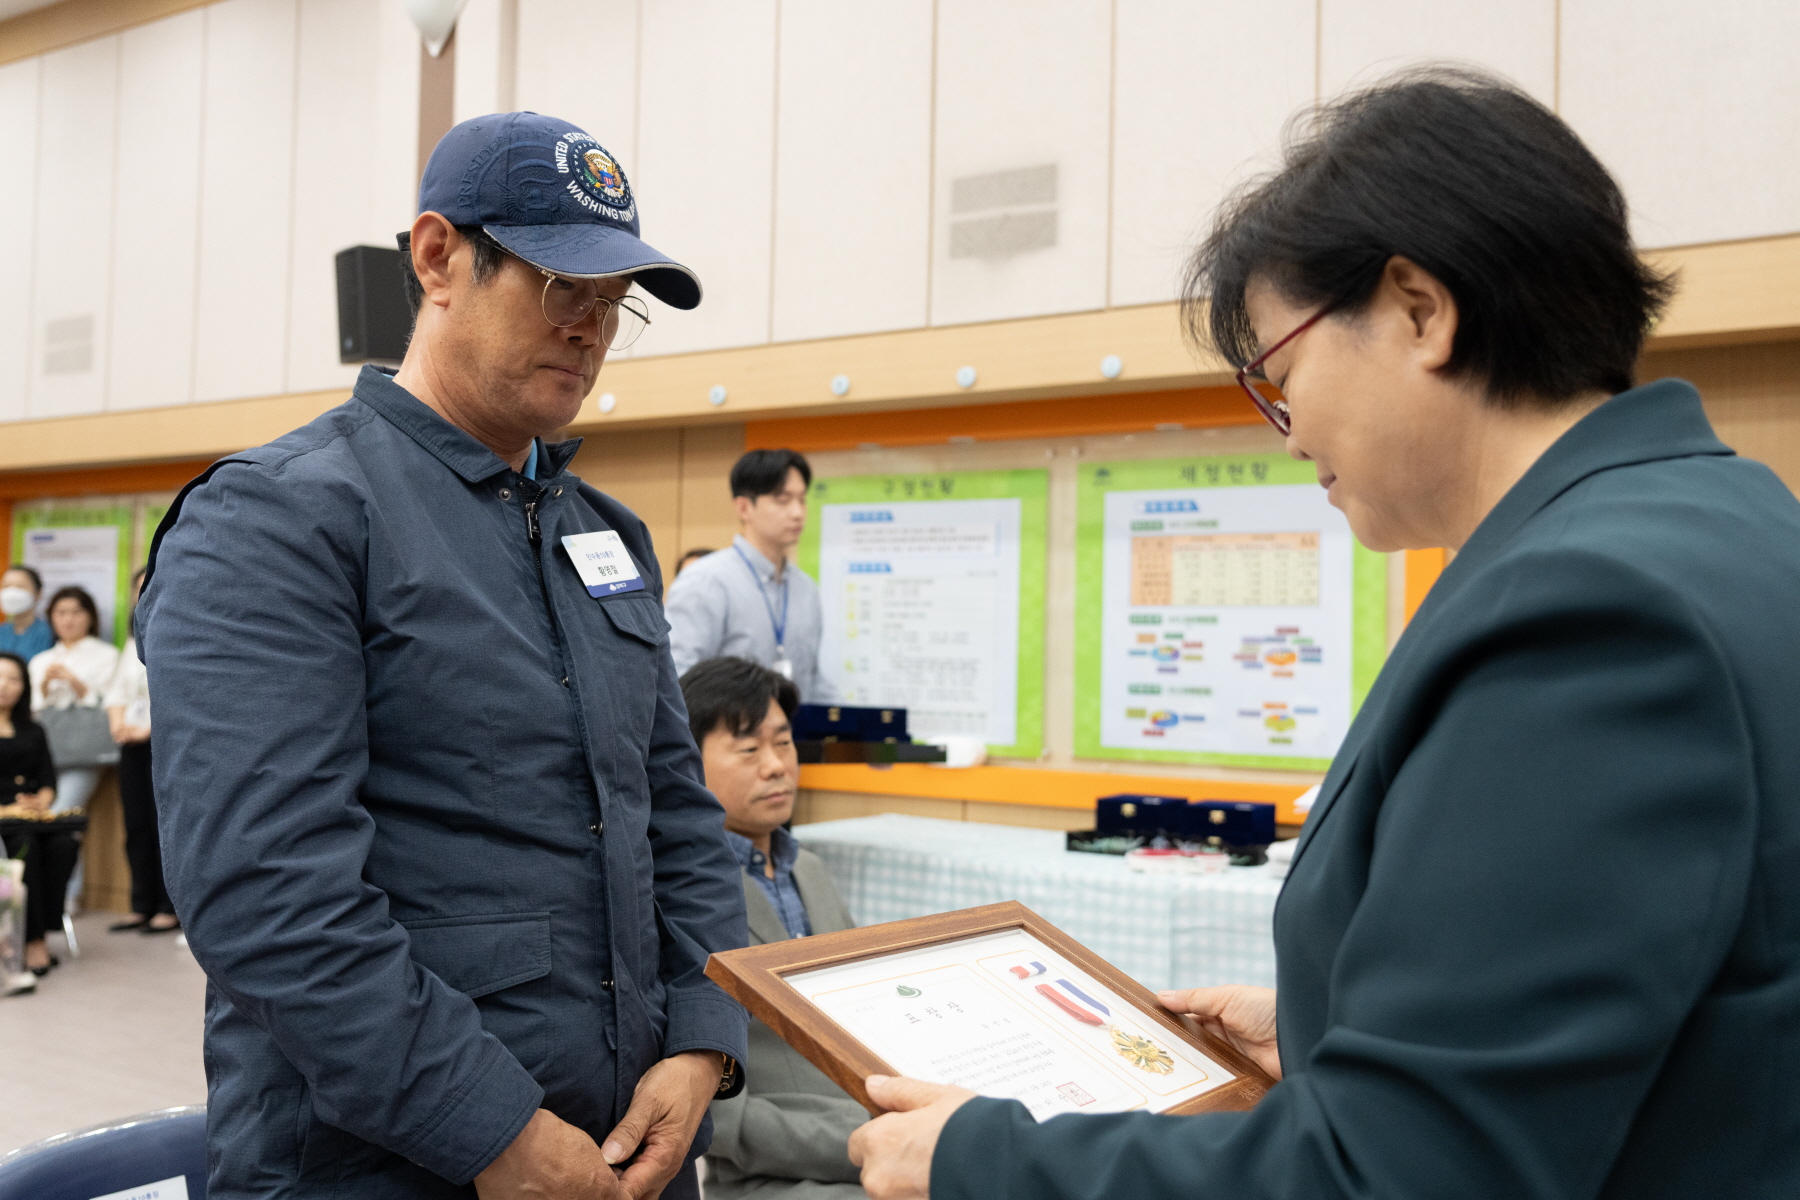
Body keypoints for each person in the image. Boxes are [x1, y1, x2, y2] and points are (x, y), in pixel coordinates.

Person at [846, 69, 1800, 1199]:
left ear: (1418, 310)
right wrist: (1336, 1032)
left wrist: (978, 1158)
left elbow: (1409, 1174)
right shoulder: (1738, 517)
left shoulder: (1584, 613)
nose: (1290, 435)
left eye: (1280, 375)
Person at [138, 111, 747, 1199]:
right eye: (565, 289)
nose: (593, 331)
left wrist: (702, 1036)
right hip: (384, 1162)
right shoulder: (280, 521)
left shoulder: (604, 534)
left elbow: (677, 811)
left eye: (615, 306)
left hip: (631, 1148)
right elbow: (266, 893)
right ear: (438, 258)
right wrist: (491, 1128)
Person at [679, 657, 866, 1200]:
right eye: (748, 749)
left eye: (783, 743)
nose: (776, 766)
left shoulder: (809, 869)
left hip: (864, 1126)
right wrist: (855, 1142)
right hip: (767, 1173)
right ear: (686, 762)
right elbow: (717, 1111)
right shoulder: (681, 893)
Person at [666, 450, 841, 702]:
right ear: (744, 507)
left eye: (802, 500)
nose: (798, 513)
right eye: (783, 500)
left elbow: (812, 680)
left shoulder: (806, 589)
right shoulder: (706, 580)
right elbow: (678, 677)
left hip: (795, 738)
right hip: (728, 735)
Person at [104, 568, 175, 934]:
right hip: (130, 745)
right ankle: (141, 904)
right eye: (138, 587)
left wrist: (147, 728)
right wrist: (118, 724)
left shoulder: (178, 632)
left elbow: (176, 696)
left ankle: (169, 907)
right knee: (136, 827)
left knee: (164, 826)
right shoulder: (132, 642)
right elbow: (116, 693)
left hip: (165, 743)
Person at [0, 651, 77, 978]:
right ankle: (32, 941)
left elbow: (47, 781)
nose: (4, 685)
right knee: (25, 844)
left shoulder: (34, 729)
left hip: (28, 816)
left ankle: (42, 928)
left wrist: (41, 802)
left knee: (64, 843)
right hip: (6, 819)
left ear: (24, 686)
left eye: (13, 678)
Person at [28, 585, 120, 814]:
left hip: (83, 751)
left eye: (77, 612)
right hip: (43, 750)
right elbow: (32, 707)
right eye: (61, 613)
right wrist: (45, 685)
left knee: (61, 815)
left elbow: (111, 702)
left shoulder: (106, 654)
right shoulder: (41, 660)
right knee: (36, 817)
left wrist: (75, 683)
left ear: (91, 617)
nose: (68, 620)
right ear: (51, 618)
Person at [0, 565, 52, 662]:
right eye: (6, 586)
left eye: (20, 586)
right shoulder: (2, 632)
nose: (12, 593)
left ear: (38, 593)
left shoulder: (49, 633)